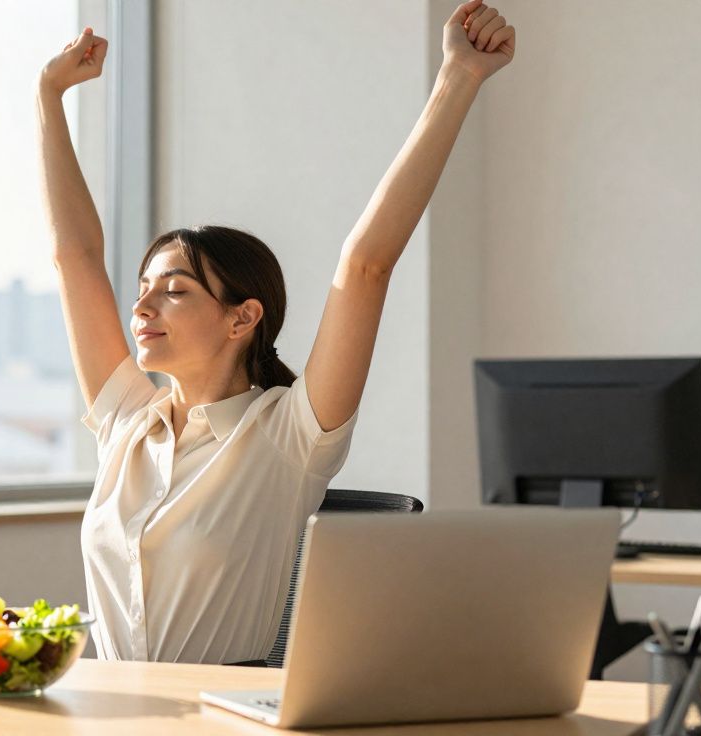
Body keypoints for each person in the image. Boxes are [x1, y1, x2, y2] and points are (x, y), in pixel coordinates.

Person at [36, 1, 516, 664]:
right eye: (143, 290)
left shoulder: (288, 435)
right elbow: (75, 258)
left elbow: (367, 263)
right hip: (115, 713)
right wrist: (48, 97)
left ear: (244, 316)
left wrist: (457, 78)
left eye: (174, 291)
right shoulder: (128, 424)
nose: (142, 307)